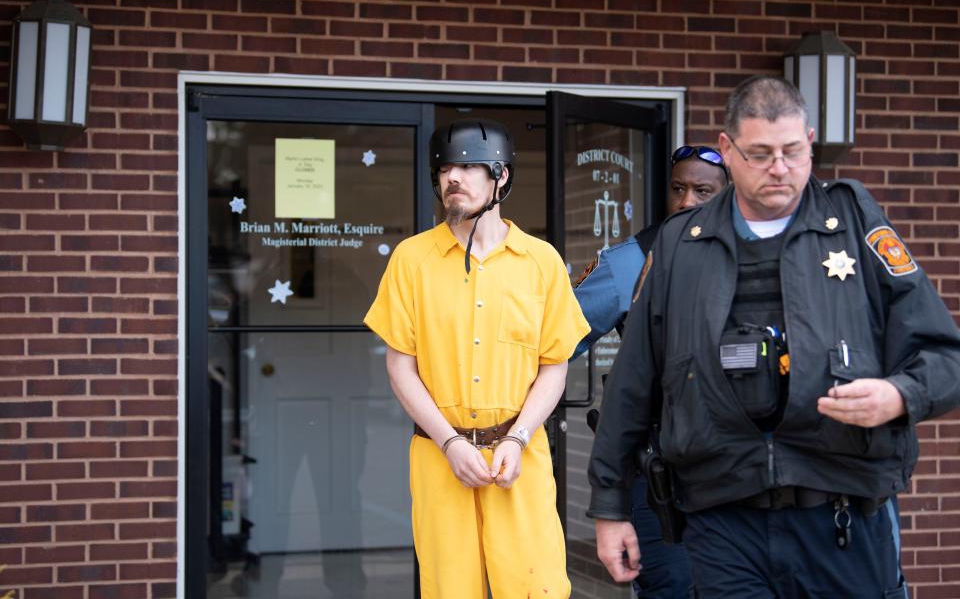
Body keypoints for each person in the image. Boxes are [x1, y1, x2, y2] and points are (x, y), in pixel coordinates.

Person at [587, 75, 960, 598]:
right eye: (760, 153)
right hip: (721, 520)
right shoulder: (680, 244)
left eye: (792, 151)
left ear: (809, 139)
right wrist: (610, 508)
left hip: (841, 514)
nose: (779, 168)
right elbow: (634, 382)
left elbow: (945, 358)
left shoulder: (853, 221)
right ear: (728, 149)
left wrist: (899, 396)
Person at [364, 118, 590, 599]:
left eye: (468, 166)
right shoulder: (410, 259)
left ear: (500, 176)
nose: (454, 177)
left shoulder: (542, 261)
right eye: (446, 167)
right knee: (450, 589)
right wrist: (450, 444)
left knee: (537, 586)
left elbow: (555, 365)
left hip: (518, 453)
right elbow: (400, 367)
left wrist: (518, 436)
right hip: (438, 454)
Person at [572, 145, 728, 598]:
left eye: (703, 190)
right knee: (672, 587)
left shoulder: (755, 254)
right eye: (678, 189)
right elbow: (553, 343)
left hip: (735, 470)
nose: (686, 202)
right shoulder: (629, 263)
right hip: (658, 474)